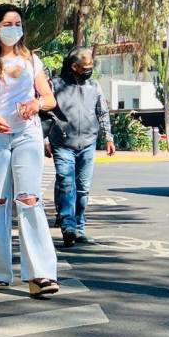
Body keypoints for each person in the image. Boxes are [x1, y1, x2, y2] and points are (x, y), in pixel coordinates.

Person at [0, 3, 60, 297]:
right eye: (8, 23)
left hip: (27, 133)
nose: (14, 28)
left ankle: (40, 275)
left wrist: (36, 104)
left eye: (18, 23)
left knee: (30, 199)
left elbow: (49, 98)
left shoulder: (32, 59)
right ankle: (1, 271)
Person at [45, 47, 115, 247]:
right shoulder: (55, 85)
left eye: (91, 66)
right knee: (66, 184)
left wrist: (108, 138)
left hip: (88, 143)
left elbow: (102, 112)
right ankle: (68, 226)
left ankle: (79, 226)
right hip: (62, 143)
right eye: (86, 67)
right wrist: (45, 140)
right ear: (74, 66)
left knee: (83, 188)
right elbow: (46, 114)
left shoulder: (94, 86)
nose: (89, 70)